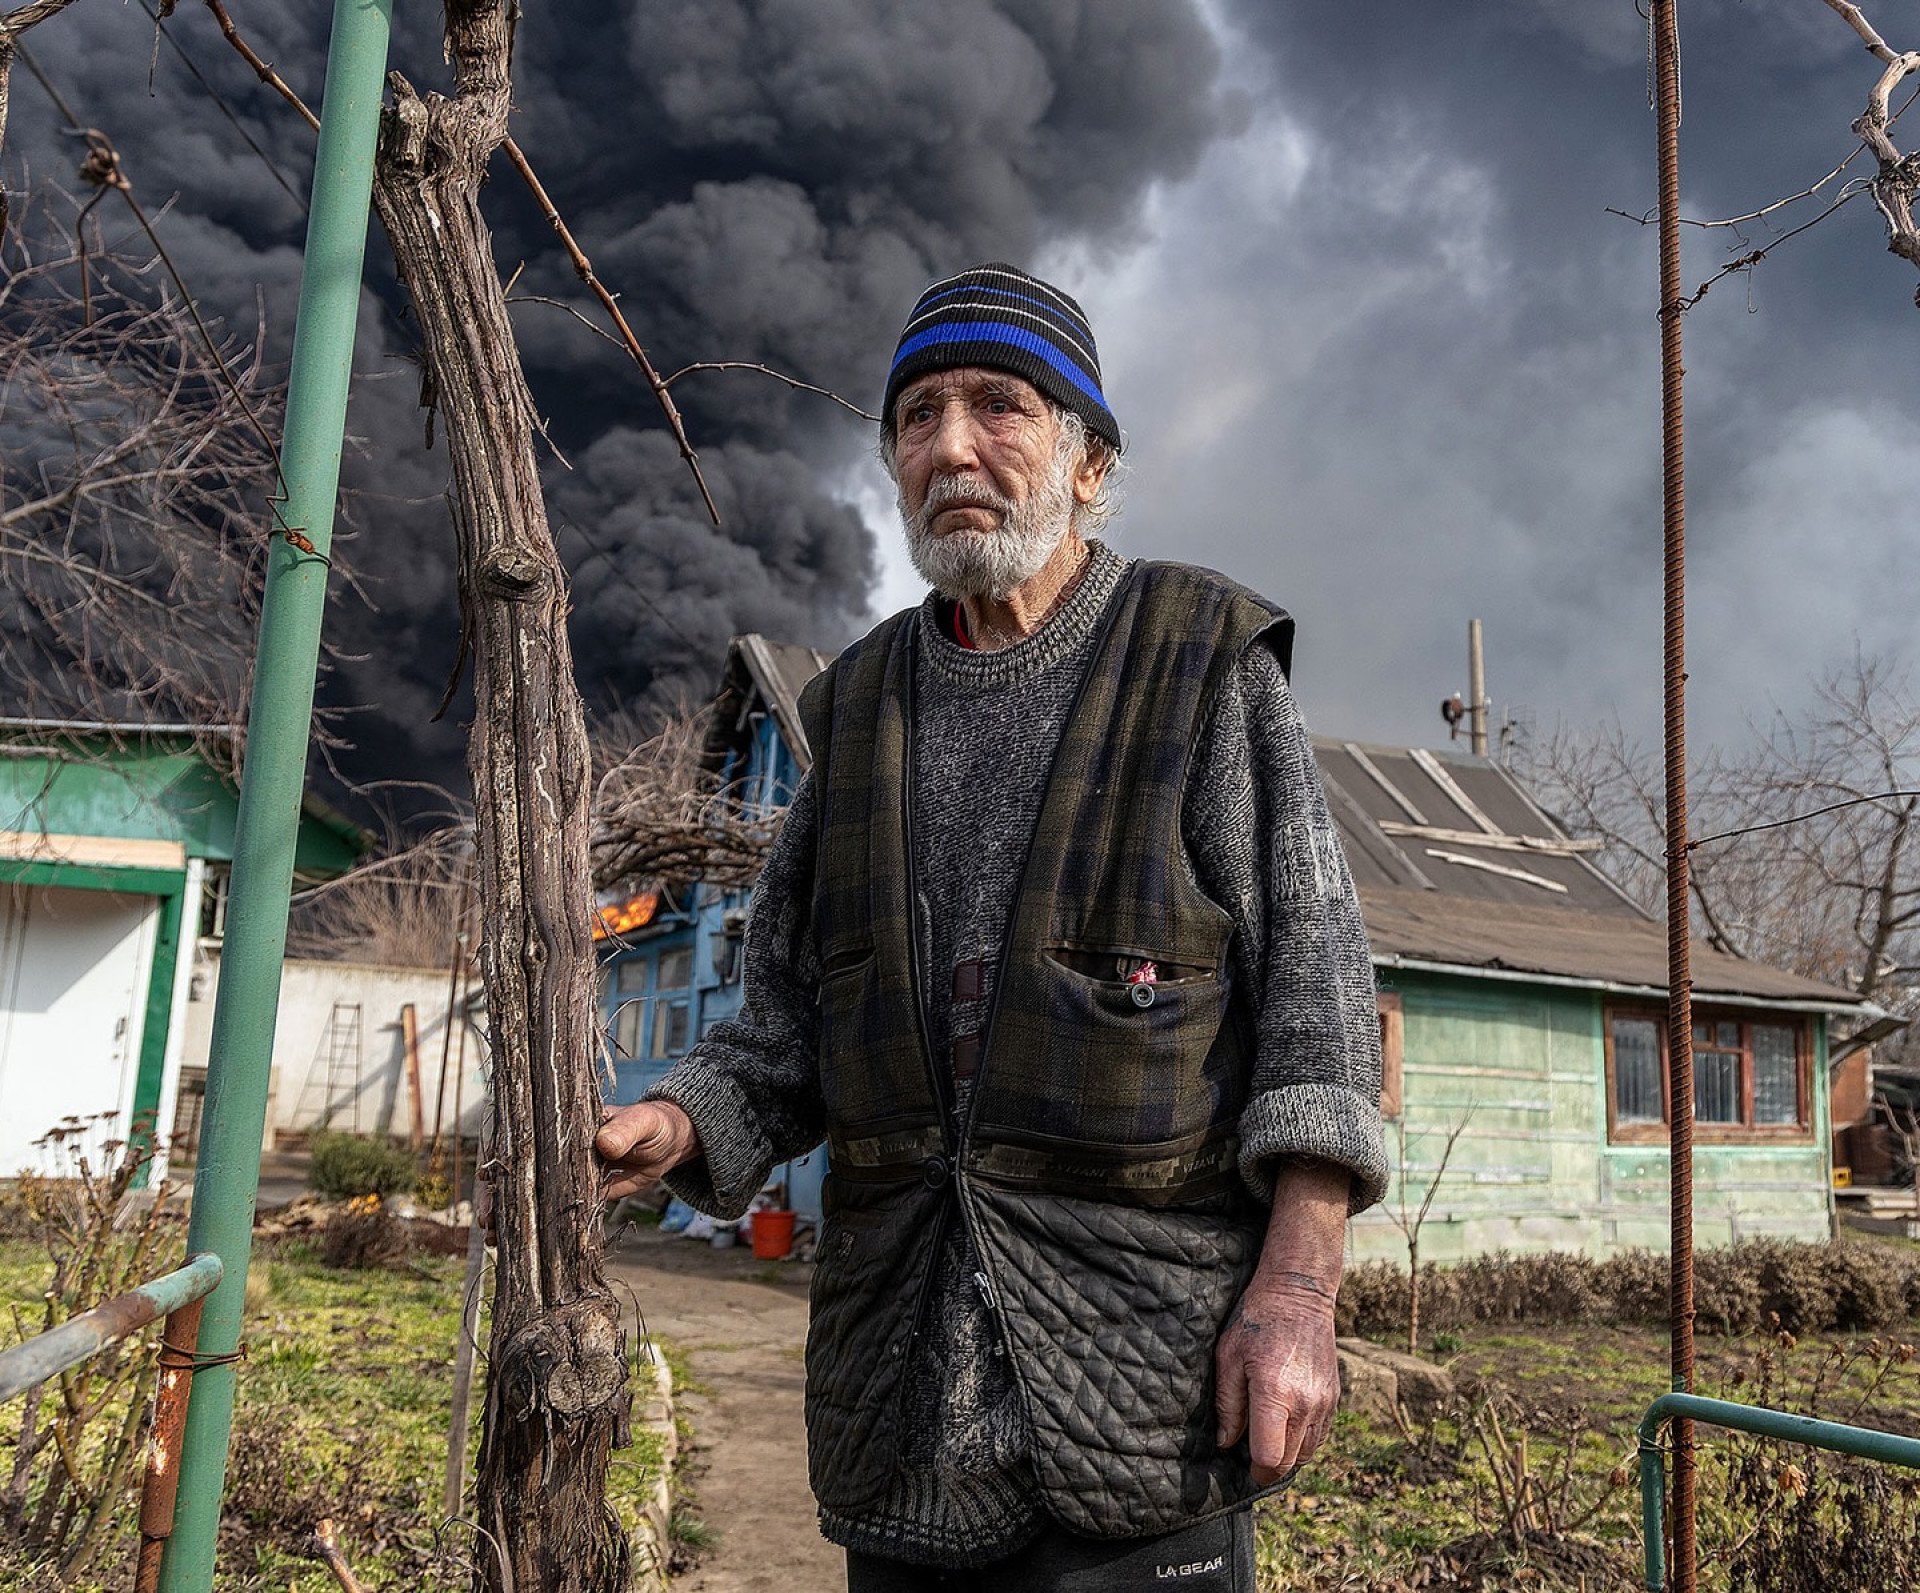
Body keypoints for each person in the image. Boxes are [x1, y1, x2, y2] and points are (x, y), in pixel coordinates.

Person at [596, 263, 1387, 1593]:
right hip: (901, 1417)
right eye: (916, 416)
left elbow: (1319, 1010)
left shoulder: (1203, 664)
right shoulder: (852, 719)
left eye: (999, 405)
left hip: (1146, 1399)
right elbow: (779, 1035)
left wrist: (1298, 1295)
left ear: (1088, 465)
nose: (950, 444)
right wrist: (664, 1121)